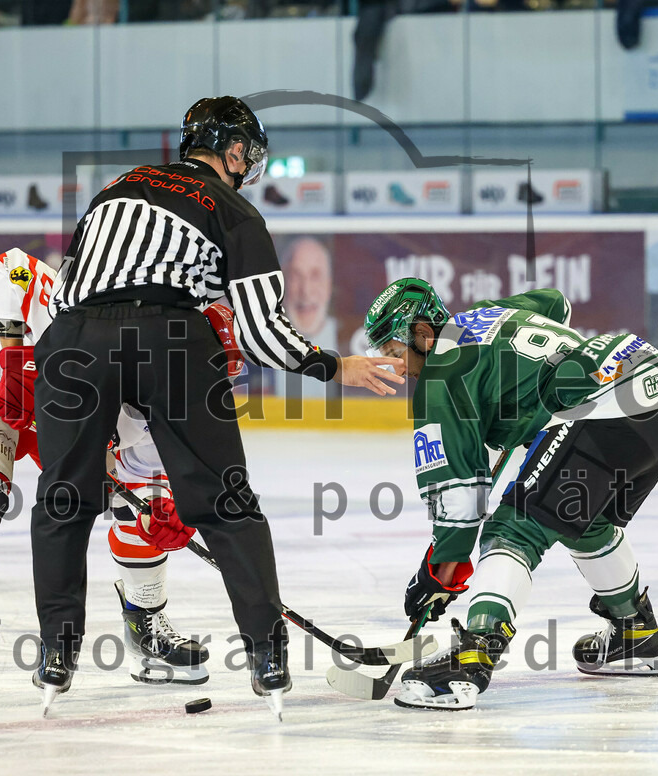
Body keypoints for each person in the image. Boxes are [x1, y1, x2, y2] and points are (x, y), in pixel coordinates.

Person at [30, 95, 404, 716]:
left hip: (72, 342)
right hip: (171, 340)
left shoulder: (113, 191)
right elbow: (260, 332)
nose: (250, 165)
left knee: (63, 501)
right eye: (249, 153)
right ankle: (267, 656)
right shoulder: (234, 209)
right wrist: (338, 366)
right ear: (233, 152)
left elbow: (67, 292)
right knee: (227, 505)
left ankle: (56, 653)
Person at [0, 248, 213, 714]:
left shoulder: (161, 392)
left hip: (64, 419)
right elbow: (2, 264)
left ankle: (145, 624)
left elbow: (147, 481)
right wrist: (13, 352)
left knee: (140, 504)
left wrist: (166, 513)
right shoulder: (62, 293)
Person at [362, 278, 658, 711]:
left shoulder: (441, 378)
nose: (397, 369)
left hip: (602, 413)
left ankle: (472, 656)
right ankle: (634, 632)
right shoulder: (486, 313)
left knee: (513, 529)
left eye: (394, 353)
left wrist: (440, 571)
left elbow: (459, 502)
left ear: (422, 335)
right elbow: (557, 305)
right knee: (582, 520)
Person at [274, 236, 338, 401]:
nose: (306, 291)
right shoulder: (255, 348)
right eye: (295, 276)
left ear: (329, 285)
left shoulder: (351, 345)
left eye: (315, 276)